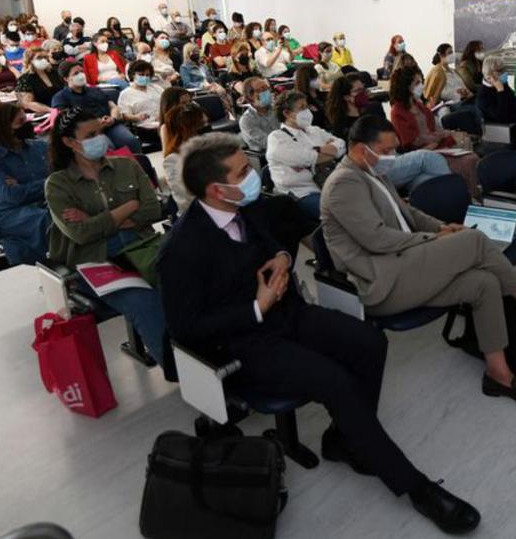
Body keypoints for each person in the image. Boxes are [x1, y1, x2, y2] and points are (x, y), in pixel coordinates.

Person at [156, 132, 481, 535]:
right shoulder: (181, 250)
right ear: (215, 190)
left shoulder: (249, 208)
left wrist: (280, 257)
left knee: (370, 342)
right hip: (246, 343)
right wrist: (256, 308)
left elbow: (278, 243)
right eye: (243, 172)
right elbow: (185, 328)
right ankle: (414, 487)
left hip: (290, 314)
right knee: (336, 381)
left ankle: (345, 439)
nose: (253, 175)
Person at [323, 115, 516, 405]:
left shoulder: (373, 172)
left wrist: (442, 228)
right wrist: (436, 240)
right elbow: (377, 239)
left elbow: (410, 215)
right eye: (387, 151)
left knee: (484, 283)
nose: (392, 157)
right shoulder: (344, 184)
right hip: (383, 282)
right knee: (474, 241)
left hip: (406, 265)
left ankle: (498, 374)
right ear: (363, 149)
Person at [45, 107, 168, 365]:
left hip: (142, 246)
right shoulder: (58, 183)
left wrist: (95, 220)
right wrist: (128, 207)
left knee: (187, 281)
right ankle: (182, 373)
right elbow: (81, 234)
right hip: (97, 261)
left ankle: (209, 358)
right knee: (145, 304)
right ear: (69, 142)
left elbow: (153, 209)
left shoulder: (126, 165)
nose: (100, 138)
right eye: (91, 135)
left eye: (100, 132)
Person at [327, 75, 451, 190]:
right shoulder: (341, 125)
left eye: (364, 89)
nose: (364, 93)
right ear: (347, 97)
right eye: (358, 91)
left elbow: (394, 139)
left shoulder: (373, 109)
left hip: (394, 156)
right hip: (375, 166)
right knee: (430, 158)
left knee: (426, 180)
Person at [0, 103, 51, 264]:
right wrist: (48, 183)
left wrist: (25, 187)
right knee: (49, 219)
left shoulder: (41, 147)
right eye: (20, 122)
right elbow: (12, 196)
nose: (26, 125)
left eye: (26, 119)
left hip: (45, 202)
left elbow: (62, 178)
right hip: (10, 212)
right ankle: (60, 267)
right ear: (4, 127)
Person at [389, 66, 479, 193]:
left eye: (421, 81)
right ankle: (467, 194)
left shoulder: (418, 104)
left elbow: (434, 128)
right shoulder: (397, 111)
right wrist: (438, 139)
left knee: (468, 148)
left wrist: (447, 134)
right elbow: (410, 143)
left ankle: (471, 192)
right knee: (468, 161)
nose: (421, 86)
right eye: (417, 83)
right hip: (423, 152)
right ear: (406, 86)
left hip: (435, 145)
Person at [266, 91, 346, 218]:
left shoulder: (314, 130)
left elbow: (341, 145)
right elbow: (306, 159)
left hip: (329, 182)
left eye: (307, 106)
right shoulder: (277, 138)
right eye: (302, 108)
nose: (307, 111)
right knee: (339, 212)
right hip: (303, 193)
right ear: (287, 113)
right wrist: (329, 152)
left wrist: (318, 149)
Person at [50, 60, 143, 154]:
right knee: (107, 148)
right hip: (89, 133)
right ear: (66, 78)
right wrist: (95, 123)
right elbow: (67, 121)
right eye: (76, 73)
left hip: (110, 125)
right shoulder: (60, 97)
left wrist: (113, 118)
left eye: (82, 72)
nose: (81, 75)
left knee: (131, 141)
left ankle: (140, 167)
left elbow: (113, 106)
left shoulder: (95, 90)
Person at [161, 102, 208, 209]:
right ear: (186, 130)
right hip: (199, 215)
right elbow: (188, 199)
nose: (207, 129)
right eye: (201, 125)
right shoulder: (173, 160)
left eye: (207, 124)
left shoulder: (212, 148)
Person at [15, 47, 62, 113]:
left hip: (60, 107)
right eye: (39, 58)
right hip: (43, 113)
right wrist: (50, 110)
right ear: (30, 60)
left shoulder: (54, 73)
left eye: (45, 57)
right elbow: (28, 103)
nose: (43, 60)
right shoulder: (25, 79)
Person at [238, 77, 279, 151]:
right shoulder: (247, 120)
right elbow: (267, 143)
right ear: (250, 96)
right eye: (262, 89)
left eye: (267, 88)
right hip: (266, 154)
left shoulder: (276, 109)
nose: (267, 92)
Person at [118, 60, 163, 125]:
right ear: (133, 75)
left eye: (147, 75)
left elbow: (166, 103)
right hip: (143, 125)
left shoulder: (156, 88)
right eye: (141, 75)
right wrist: (136, 117)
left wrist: (162, 115)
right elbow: (125, 115)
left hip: (162, 121)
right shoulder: (125, 94)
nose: (145, 77)